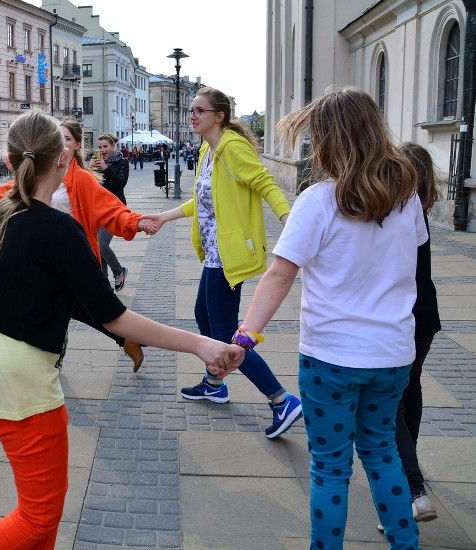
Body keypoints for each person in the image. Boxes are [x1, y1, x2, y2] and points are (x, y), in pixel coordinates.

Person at [0, 110, 243, 549]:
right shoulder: (58, 229)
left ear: (8, 162)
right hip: (21, 383)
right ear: (65, 162)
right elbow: (115, 317)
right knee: (37, 518)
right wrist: (200, 344)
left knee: (39, 520)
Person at [227, 87, 425, 549]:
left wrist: (245, 337)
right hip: (392, 354)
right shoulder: (407, 197)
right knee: (382, 454)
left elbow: (279, 276)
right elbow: (408, 259)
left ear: (329, 140)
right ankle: (405, 544)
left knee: (331, 468)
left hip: (331, 359)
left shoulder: (318, 201)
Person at [143, 86, 301, 439]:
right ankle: (215, 384)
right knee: (203, 316)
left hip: (228, 255)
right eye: (192, 110)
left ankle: (281, 399)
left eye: (200, 110)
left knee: (227, 338)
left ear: (219, 116)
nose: (193, 115)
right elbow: (201, 202)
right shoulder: (207, 150)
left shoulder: (232, 148)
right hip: (214, 255)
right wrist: (164, 217)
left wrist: (287, 217)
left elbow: (264, 182)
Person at [0, 116, 155, 372]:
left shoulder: (82, 180)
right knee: (66, 307)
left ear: (75, 146)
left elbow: (111, 209)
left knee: (84, 307)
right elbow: (6, 192)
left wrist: (136, 222)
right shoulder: (37, 174)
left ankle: (118, 339)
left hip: (72, 255)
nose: (61, 144)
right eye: (57, 139)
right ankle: (116, 340)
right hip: (40, 256)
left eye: (66, 139)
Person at [382, 142, 442, 525]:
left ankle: (411, 487)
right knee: (411, 388)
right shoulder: (419, 209)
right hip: (426, 315)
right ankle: (410, 460)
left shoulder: (399, 212)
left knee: (389, 406)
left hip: (402, 316)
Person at [89, 133, 130, 291]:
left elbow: (120, 183)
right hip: (96, 209)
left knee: (102, 246)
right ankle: (103, 282)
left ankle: (119, 272)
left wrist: (105, 168)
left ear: (113, 146)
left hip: (113, 209)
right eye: (99, 147)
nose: (102, 150)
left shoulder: (122, 161)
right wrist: (89, 169)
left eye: (105, 146)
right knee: (97, 246)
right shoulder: (95, 162)